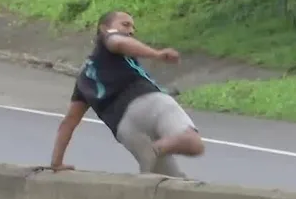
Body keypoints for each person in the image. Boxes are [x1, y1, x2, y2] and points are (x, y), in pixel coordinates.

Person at [49, 10, 205, 177]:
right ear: (104, 28)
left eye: (132, 28)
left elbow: (69, 122)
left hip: (126, 130)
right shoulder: (109, 39)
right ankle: (159, 147)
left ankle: (153, 151)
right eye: (125, 24)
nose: (131, 31)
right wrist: (157, 54)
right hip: (150, 103)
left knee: (167, 182)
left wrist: (56, 162)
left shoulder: (83, 79)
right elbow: (117, 42)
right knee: (193, 143)